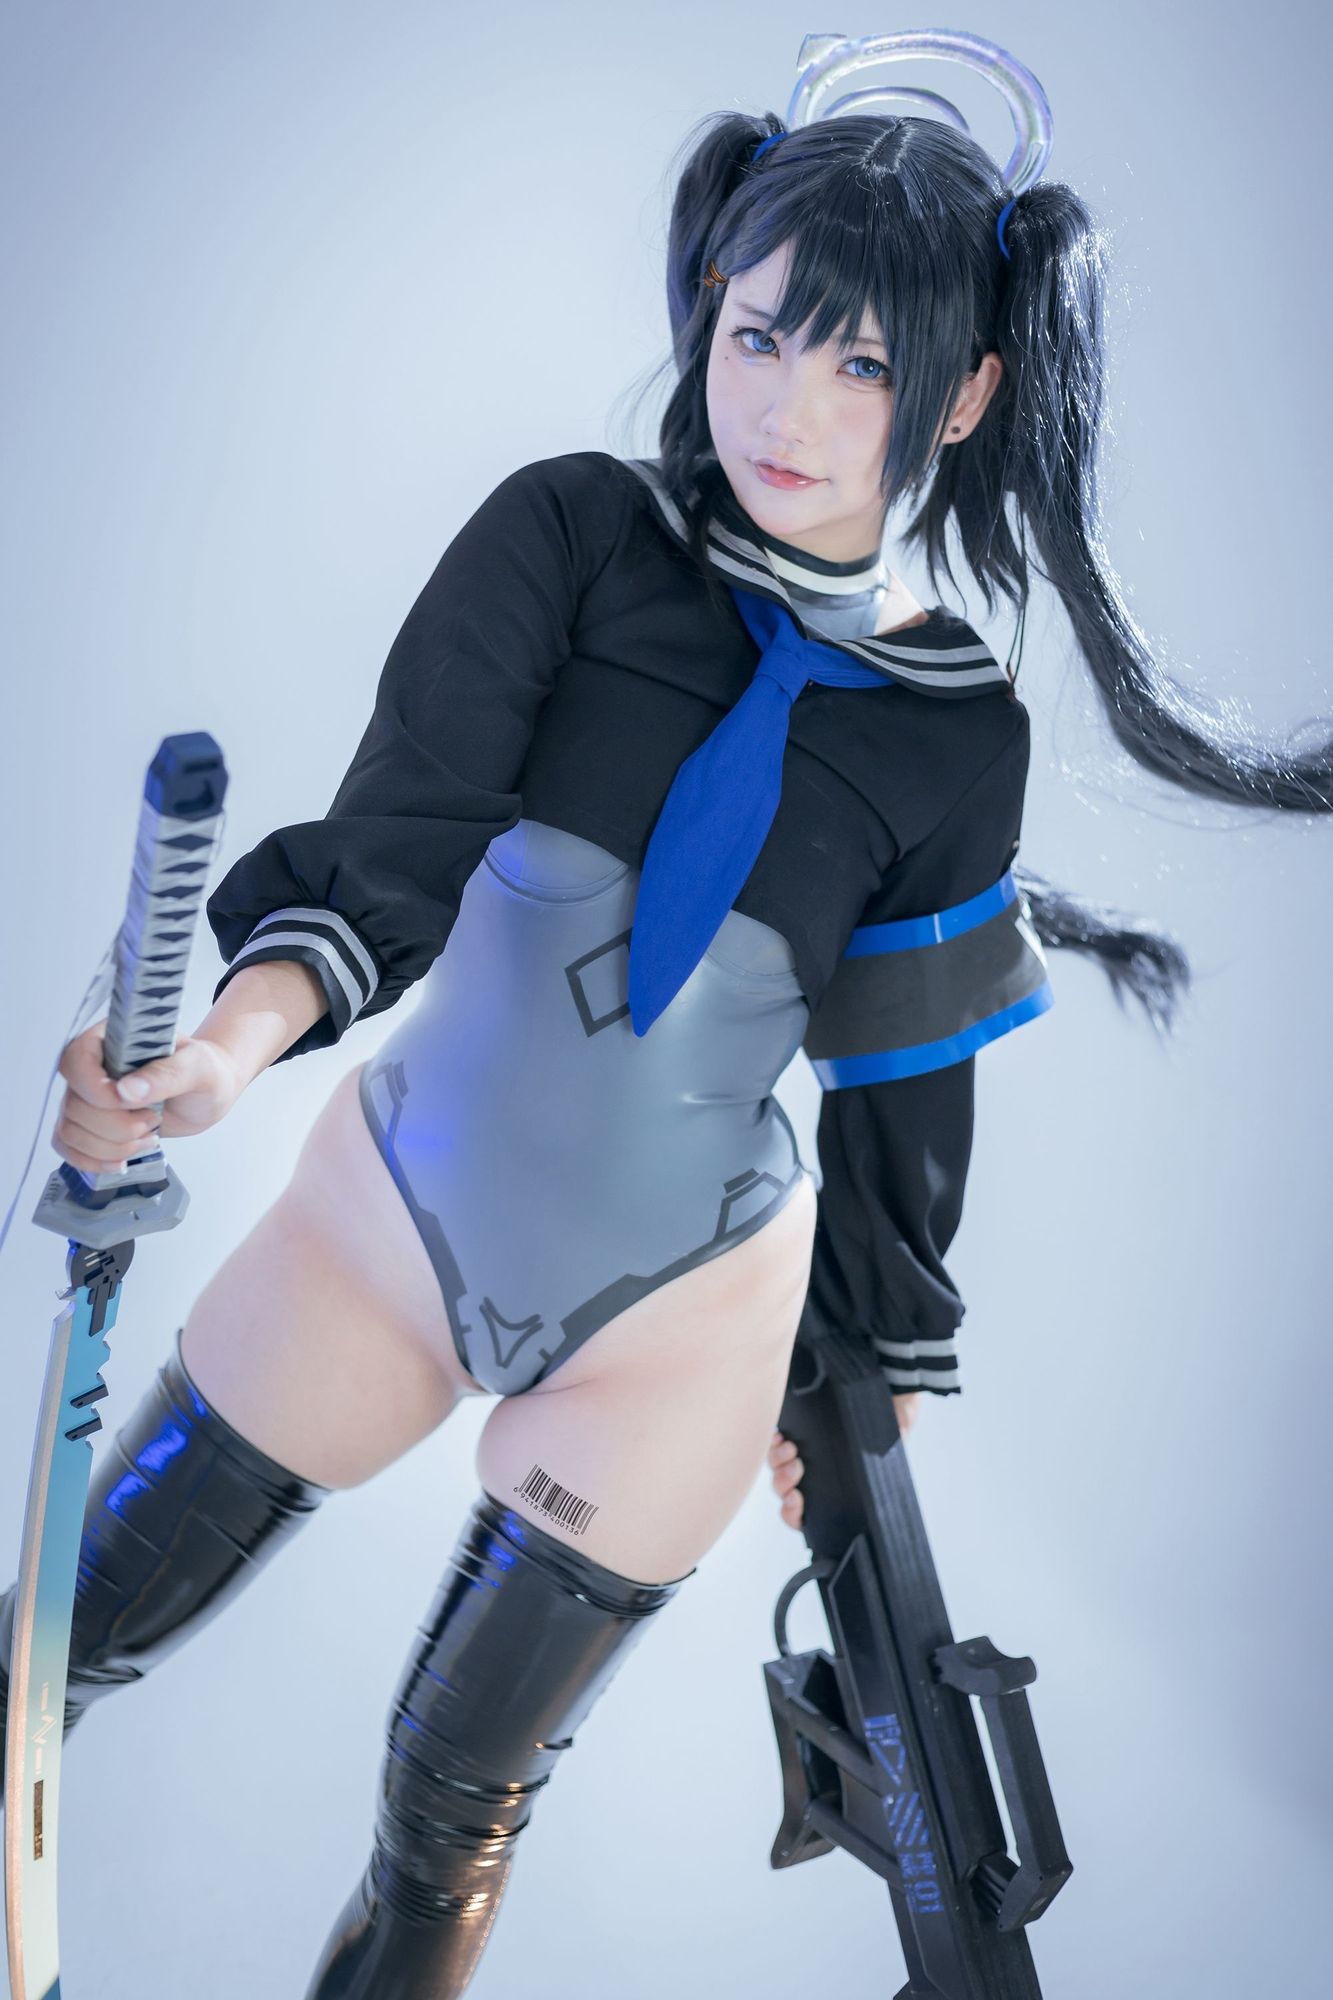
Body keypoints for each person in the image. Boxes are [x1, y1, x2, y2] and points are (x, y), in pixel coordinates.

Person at [5, 51, 1329, 2000]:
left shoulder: (953, 732)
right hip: (387, 1224)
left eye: (861, 364)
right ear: (708, 300)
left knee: (446, 1807)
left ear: (965, 393)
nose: (787, 404)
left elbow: (900, 1096)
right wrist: (214, 1056)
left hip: (682, 1326)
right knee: (48, 1652)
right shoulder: (569, 536)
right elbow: (393, 847)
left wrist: (859, 1382)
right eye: (760, 331)